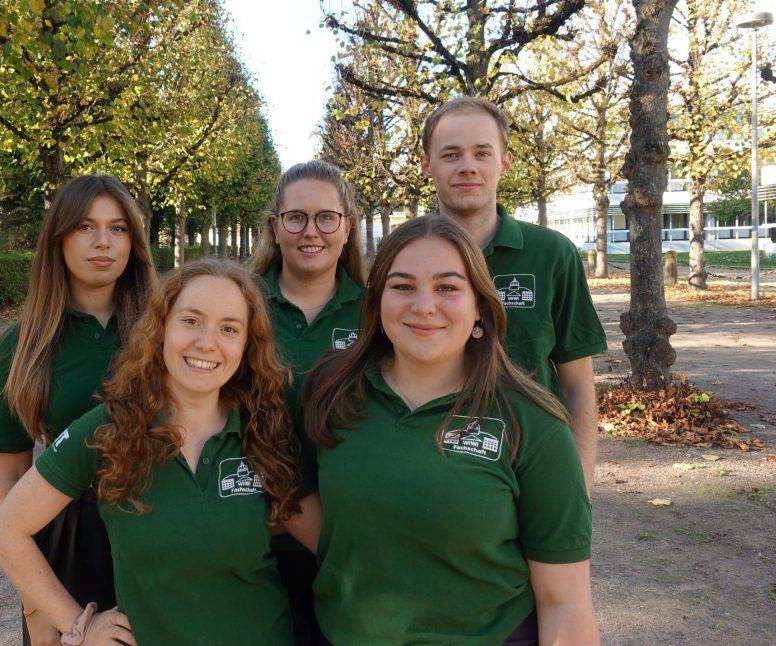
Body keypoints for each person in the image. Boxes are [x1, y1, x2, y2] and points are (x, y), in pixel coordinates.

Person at [0, 259, 322, 645]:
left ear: (247, 345)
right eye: (191, 321)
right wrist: (78, 624)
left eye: (229, 328)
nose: (207, 342)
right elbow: (5, 532)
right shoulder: (109, 429)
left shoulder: (265, 432)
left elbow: (332, 546)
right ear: (161, 328)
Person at [303, 214, 598, 645]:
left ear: (480, 307)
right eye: (402, 286)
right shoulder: (329, 394)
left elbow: (565, 604)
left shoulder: (533, 423)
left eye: (447, 288)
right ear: (377, 304)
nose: (424, 305)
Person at [0, 174, 157, 645]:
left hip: (157, 526)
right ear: (58, 238)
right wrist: (37, 607)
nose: (104, 241)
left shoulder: (166, 329)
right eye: (85, 226)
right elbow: (9, 479)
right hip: (68, 542)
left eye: (118, 228)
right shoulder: (23, 345)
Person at [420, 96, 607, 494]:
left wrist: (580, 488)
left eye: (482, 153)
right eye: (450, 154)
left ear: (505, 162)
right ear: (426, 164)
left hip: (534, 465)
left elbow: (577, 382)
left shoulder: (552, 254)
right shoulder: (405, 257)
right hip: (431, 463)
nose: (467, 166)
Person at [249, 159, 365, 645]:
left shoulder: (379, 312)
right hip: (252, 540)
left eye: (326, 218)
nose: (311, 231)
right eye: (296, 218)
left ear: (347, 227)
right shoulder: (240, 304)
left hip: (349, 538)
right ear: (275, 228)